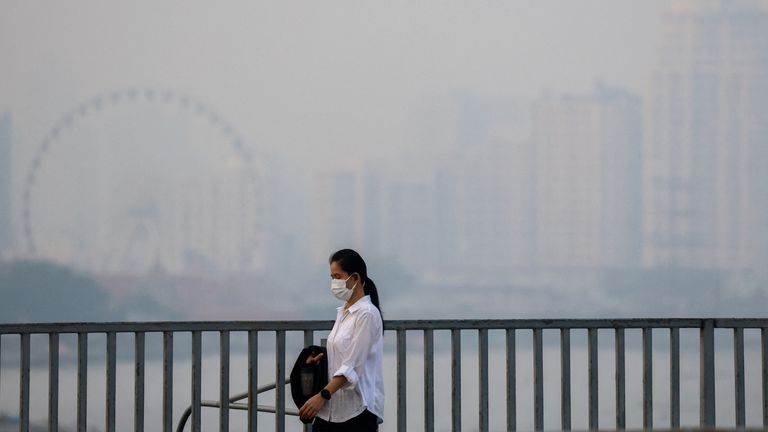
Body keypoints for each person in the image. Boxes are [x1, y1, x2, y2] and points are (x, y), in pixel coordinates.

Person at [298, 249, 384, 431]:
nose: (334, 283)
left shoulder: (366, 315)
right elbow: (341, 354)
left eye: (338, 276)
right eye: (332, 277)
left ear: (355, 278)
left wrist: (322, 395)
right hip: (331, 409)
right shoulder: (344, 313)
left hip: (357, 411)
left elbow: (352, 365)